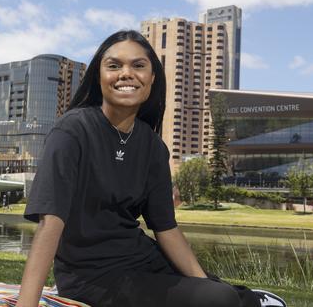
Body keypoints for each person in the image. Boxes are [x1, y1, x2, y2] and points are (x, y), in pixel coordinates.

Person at [17, 30, 286, 307]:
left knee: (221, 294)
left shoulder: (153, 146)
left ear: (152, 77)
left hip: (143, 258)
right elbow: (51, 222)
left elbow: (166, 228)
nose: (126, 73)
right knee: (220, 298)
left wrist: (203, 282)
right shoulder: (73, 131)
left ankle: (247, 299)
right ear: (99, 77)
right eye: (113, 65)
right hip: (92, 276)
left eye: (138, 65)